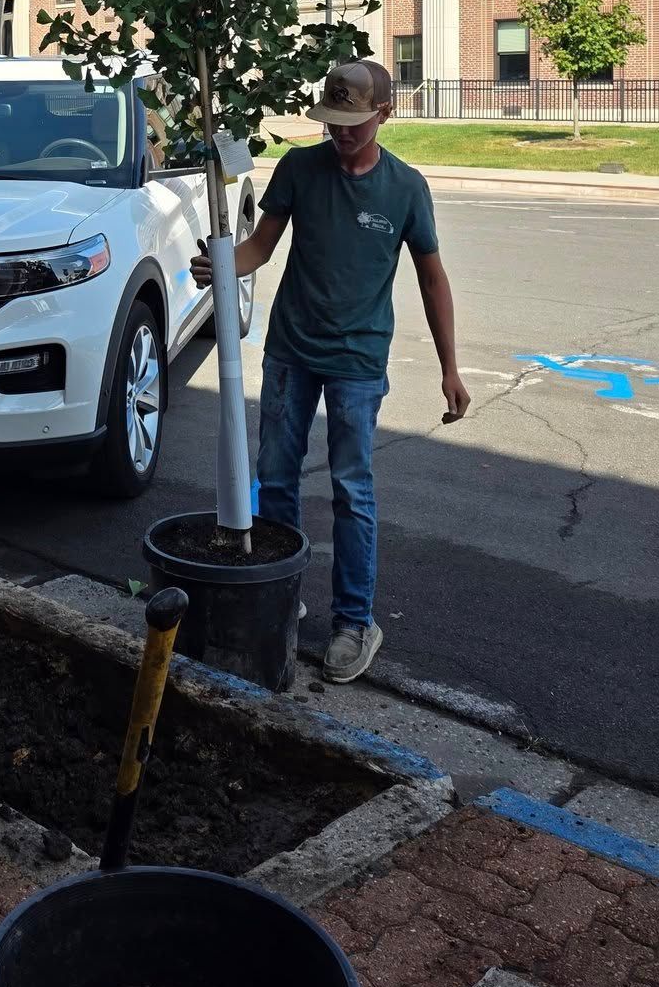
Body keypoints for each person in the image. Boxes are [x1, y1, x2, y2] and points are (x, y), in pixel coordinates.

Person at [191, 59, 468, 684]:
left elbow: (432, 277)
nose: (340, 134)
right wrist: (224, 264)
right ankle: (285, 599)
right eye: (333, 122)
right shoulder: (298, 170)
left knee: (353, 489)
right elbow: (262, 245)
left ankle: (354, 621)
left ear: (384, 114)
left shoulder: (405, 188)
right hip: (290, 349)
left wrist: (451, 368)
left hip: (358, 361)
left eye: (353, 123)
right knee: (277, 480)